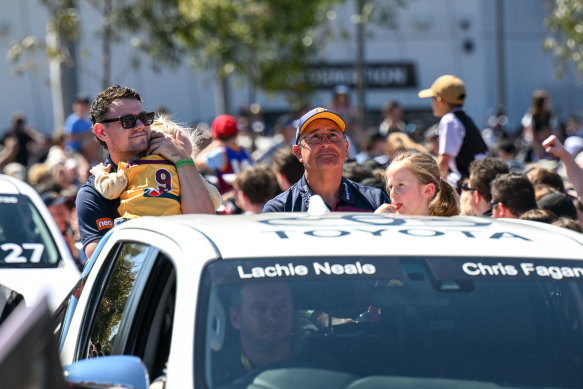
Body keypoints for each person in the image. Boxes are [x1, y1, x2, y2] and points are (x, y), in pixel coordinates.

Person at [76, 85, 215, 259]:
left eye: (145, 118)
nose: (141, 126)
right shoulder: (94, 192)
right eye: (128, 121)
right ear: (101, 131)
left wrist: (183, 160)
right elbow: (102, 259)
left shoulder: (176, 165)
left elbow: (206, 223)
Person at [88, 115, 222, 223]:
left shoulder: (132, 166)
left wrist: (100, 174)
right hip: (170, 225)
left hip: (133, 224)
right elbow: (216, 200)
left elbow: (110, 190)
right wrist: (190, 168)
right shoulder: (183, 173)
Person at [262, 107, 389, 212]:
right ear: (299, 152)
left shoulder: (375, 201)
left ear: (346, 148)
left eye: (333, 135)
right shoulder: (279, 210)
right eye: (315, 136)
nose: (326, 143)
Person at [418, 75, 489, 185]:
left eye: (433, 99)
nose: (432, 104)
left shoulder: (449, 120)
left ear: (440, 100)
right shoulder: (465, 119)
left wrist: (437, 190)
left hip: (467, 186)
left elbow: (444, 162)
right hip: (479, 183)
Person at [375, 149, 459, 216]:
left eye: (401, 185)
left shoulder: (446, 228)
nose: (392, 194)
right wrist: (375, 222)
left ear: (428, 190)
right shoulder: (385, 222)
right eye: (390, 187)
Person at [195, 114, 255, 195]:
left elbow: (197, 162)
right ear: (236, 134)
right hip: (249, 197)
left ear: (215, 136)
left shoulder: (221, 153)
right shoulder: (245, 152)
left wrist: (215, 143)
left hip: (230, 201)